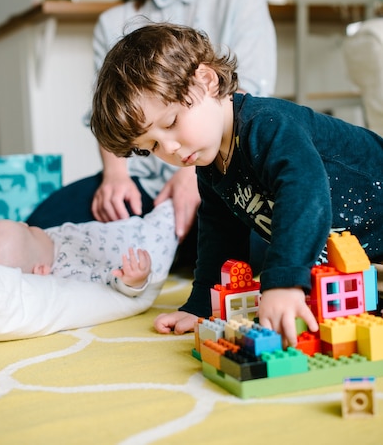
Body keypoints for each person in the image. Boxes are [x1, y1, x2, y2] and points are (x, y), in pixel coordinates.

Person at [90, 23, 383, 348]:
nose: (169, 149)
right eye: (152, 147)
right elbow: (219, 236)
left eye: (171, 123)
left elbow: (305, 194)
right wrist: (203, 306)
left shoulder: (267, 126)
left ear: (207, 80)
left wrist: (283, 282)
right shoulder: (211, 165)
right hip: (361, 258)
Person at [27, 0, 277, 266]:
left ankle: (170, 247)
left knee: (264, 245)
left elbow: (246, 93)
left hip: (223, 174)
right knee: (41, 224)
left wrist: (196, 175)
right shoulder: (112, 22)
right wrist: (115, 177)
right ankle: (164, 244)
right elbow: (108, 115)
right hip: (142, 180)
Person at [0, 199, 177, 298]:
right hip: (152, 241)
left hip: (128, 225)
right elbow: (108, 279)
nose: (25, 224)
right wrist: (133, 280)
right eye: (27, 231)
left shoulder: (47, 240)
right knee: (175, 213)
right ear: (40, 271)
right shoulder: (68, 271)